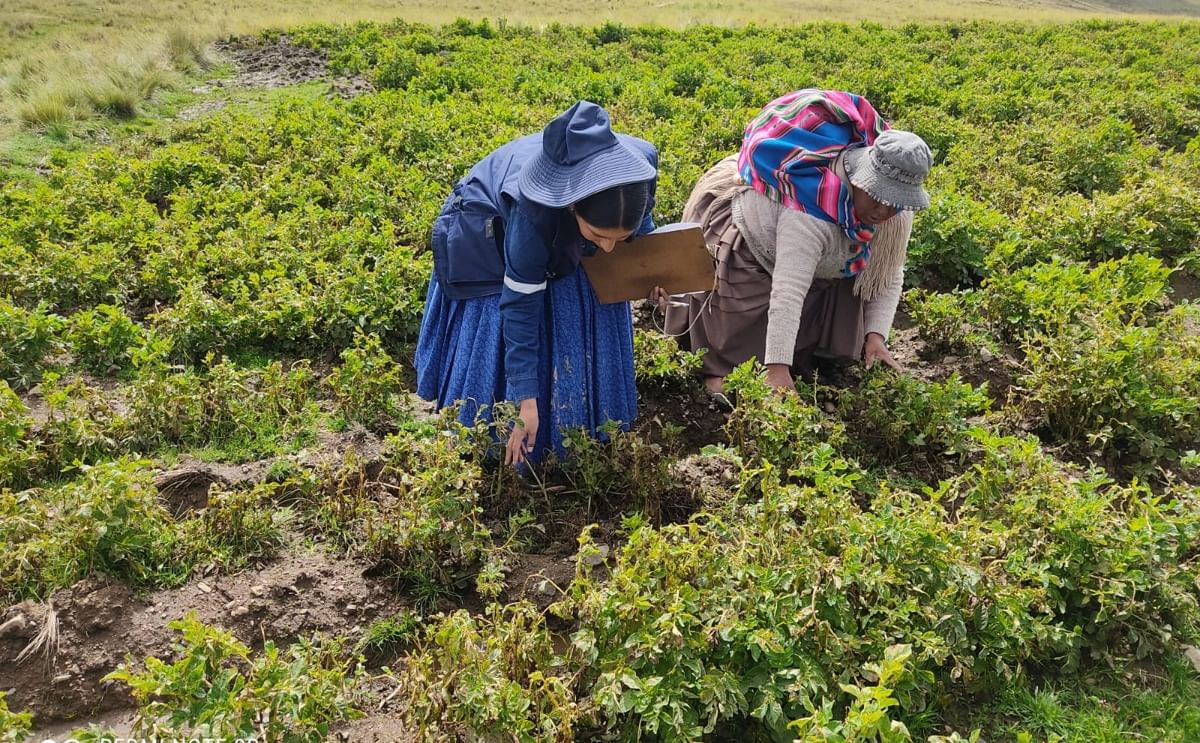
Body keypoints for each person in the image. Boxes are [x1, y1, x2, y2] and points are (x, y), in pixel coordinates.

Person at [415, 101, 659, 466]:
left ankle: (581, 431)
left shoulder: (639, 169)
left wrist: (652, 272)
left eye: (618, 238)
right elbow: (519, 305)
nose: (608, 249)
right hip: (484, 234)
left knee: (580, 283)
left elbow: (641, 229)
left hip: (557, 225)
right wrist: (524, 402)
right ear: (573, 206)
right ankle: (492, 438)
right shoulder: (531, 211)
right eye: (598, 234)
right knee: (506, 318)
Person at [665, 89, 933, 401]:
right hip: (754, 253)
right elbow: (789, 290)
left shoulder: (894, 212)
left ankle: (801, 348)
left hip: (823, 262)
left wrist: (876, 337)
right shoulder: (812, 209)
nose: (883, 210)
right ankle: (720, 368)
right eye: (876, 196)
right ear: (861, 178)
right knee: (733, 357)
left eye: (894, 203)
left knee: (820, 338)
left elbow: (889, 273)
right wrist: (777, 369)